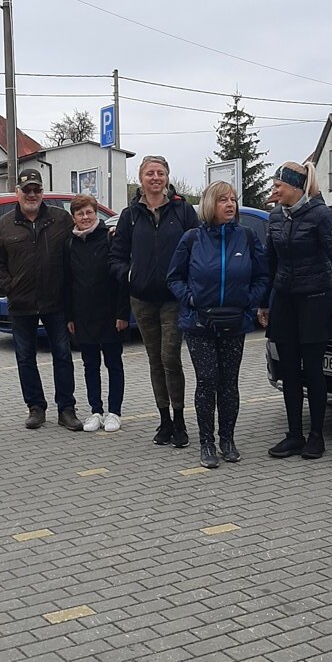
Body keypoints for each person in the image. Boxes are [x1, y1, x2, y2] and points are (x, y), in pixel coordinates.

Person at [167, 182, 269, 468]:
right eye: (223, 199)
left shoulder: (247, 237)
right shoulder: (192, 239)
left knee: (229, 383)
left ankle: (228, 440)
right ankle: (207, 443)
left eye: (233, 199)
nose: (230, 204)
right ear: (210, 204)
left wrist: (249, 301)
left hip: (234, 322)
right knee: (207, 380)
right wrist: (191, 299)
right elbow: (174, 277)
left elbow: (262, 276)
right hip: (200, 322)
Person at [259, 161, 332, 461]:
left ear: (296, 188)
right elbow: (269, 263)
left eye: (279, 186)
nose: (275, 191)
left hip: (315, 300)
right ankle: (294, 435)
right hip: (285, 301)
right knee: (288, 371)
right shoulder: (276, 216)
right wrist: (264, 301)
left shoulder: (320, 215)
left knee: (312, 371)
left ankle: (316, 436)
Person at [110, 156, 199, 448]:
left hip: (174, 299)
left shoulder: (183, 210)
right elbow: (116, 257)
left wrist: (188, 284)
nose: (156, 178)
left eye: (160, 172)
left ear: (167, 177)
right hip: (142, 299)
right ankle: (164, 420)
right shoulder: (130, 215)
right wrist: (131, 275)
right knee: (155, 360)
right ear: (141, 178)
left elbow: (198, 249)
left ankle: (180, 420)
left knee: (170, 358)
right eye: (150, 173)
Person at [0, 169, 82, 431]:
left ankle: (66, 409)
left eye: (36, 189)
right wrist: (9, 287)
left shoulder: (61, 219)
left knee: (62, 355)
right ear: (17, 192)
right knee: (25, 358)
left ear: (42, 192)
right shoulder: (4, 225)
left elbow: (81, 241)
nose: (32, 194)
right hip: (21, 303)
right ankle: (35, 408)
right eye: (26, 190)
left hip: (56, 302)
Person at [64, 194, 129, 433]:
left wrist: (122, 313)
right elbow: (67, 282)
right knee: (90, 365)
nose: (85, 217)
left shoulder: (110, 238)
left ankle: (114, 412)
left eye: (89, 212)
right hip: (83, 315)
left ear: (96, 214)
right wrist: (70, 316)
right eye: (80, 213)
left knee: (114, 364)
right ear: (74, 217)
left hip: (110, 314)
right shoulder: (69, 244)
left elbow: (121, 280)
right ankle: (96, 411)